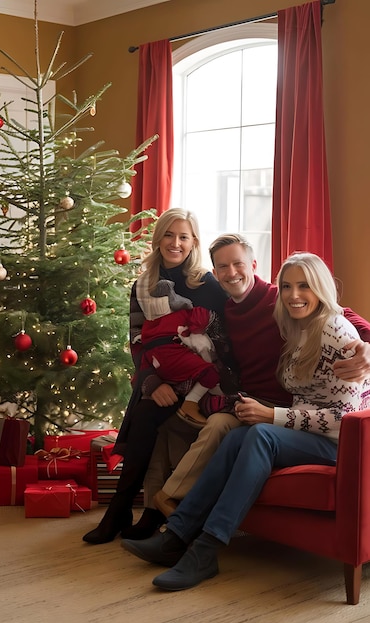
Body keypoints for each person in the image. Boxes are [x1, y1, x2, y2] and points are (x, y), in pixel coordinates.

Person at [122, 252, 370, 591]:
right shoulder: (296, 325)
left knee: (260, 435)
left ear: (321, 288)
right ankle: (177, 535)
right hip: (309, 433)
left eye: (304, 286)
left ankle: (206, 550)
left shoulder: (335, 331)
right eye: (287, 286)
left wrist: (272, 415)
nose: (294, 295)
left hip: (341, 444)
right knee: (237, 437)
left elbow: (344, 421)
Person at [143, 234, 370, 520]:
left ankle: (174, 503)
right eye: (223, 267)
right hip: (250, 398)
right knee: (183, 421)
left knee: (218, 426)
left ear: (253, 264)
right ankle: (166, 506)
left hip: (286, 404)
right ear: (216, 274)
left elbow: (340, 314)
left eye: (238, 264)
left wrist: (368, 347)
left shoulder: (283, 298)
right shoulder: (225, 310)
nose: (232, 273)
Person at [82, 208, 231, 544]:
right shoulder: (143, 284)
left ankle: (140, 511)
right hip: (160, 374)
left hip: (203, 378)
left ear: (193, 242)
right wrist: (153, 381)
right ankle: (125, 510)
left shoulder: (206, 283)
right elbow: (137, 340)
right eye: (169, 234)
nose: (175, 243)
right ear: (158, 237)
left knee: (148, 417)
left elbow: (223, 337)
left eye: (183, 237)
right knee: (146, 409)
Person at [139, 277, 222, 426]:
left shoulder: (148, 324)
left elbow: (141, 345)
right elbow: (201, 316)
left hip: (157, 364)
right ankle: (191, 402)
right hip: (167, 366)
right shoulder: (181, 313)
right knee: (212, 373)